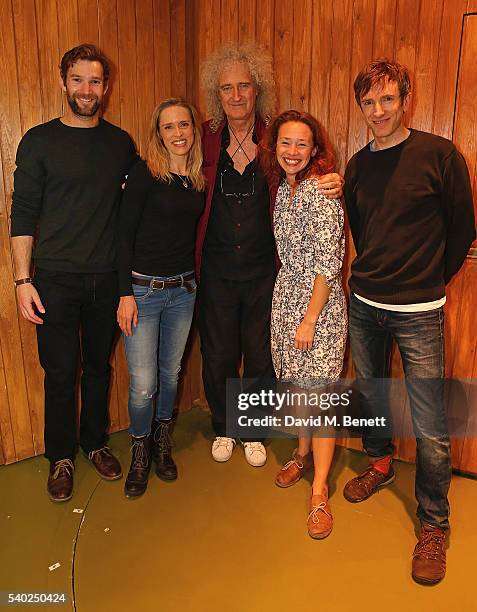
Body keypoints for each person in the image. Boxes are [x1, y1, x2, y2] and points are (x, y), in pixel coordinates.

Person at [343, 58, 475, 584]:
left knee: (431, 427)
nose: (378, 111)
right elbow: (363, 232)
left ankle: (434, 523)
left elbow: (463, 232)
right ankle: (377, 463)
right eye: (369, 103)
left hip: (419, 311)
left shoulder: (440, 156)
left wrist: (427, 282)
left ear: (405, 99)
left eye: (387, 100)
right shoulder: (355, 166)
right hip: (364, 303)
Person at [197, 43, 344, 466]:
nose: (236, 95)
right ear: (217, 94)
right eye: (227, 88)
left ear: (257, 88)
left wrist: (335, 180)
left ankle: (253, 428)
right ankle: (226, 427)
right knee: (220, 352)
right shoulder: (207, 137)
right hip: (217, 269)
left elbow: (307, 170)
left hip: (266, 272)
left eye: (244, 85)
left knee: (260, 354)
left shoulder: (274, 138)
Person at [11, 44, 138, 502]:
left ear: (106, 86)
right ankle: (60, 457)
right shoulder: (39, 141)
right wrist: (22, 280)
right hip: (54, 280)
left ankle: (95, 443)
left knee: (99, 370)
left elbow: (145, 195)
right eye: (79, 80)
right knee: (60, 372)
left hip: (106, 279)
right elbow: (22, 213)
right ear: (64, 82)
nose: (87, 90)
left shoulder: (121, 144)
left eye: (96, 81)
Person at [260, 110, 347, 538]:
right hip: (286, 299)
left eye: (302, 144)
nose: (292, 152)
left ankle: (319, 492)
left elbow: (328, 265)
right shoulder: (283, 190)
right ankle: (301, 452)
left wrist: (310, 320)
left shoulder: (320, 193)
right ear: (273, 147)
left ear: (315, 150)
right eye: (285, 143)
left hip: (319, 308)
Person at [117, 99, 205, 497]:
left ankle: (162, 442)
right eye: (168, 127)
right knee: (143, 384)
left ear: (193, 129)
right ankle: (140, 450)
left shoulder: (197, 178)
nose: (178, 133)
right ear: (158, 133)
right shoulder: (143, 175)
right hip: (143, 293)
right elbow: (123, 236)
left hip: (184, 292)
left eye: (183, 124)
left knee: (170, 376)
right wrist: (124, 294)